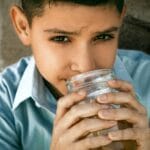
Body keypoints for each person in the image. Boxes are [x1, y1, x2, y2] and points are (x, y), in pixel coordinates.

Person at [0, 0, 150, 149]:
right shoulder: (4, 102)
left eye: (103, 37)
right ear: (23, 26)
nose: (86, 67)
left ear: (120, 19)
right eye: (61, 38)